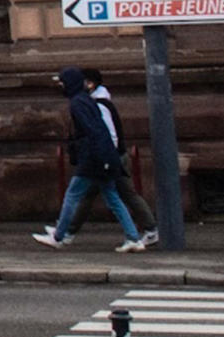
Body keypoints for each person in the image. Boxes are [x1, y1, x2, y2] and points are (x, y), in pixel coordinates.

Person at [32, 65, 145, 251]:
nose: (60, 86)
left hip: (93, 158)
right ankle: (133, 238)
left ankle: (59, 237)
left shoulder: (78, 103)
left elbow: (93, 131)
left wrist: (97, 156)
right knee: (113, 197)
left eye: (62, 82)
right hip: (102, 156)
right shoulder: (85, 100)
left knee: (73, 194)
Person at [73, 69, 157, 249]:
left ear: (90, 84)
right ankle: (149, 230)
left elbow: (109, 134)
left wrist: (105, 157)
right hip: (113, 155)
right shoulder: (98, 102)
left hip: (110, 157)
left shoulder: (99, 105)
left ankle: (65, 232)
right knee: (119, 193)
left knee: (93, 194)